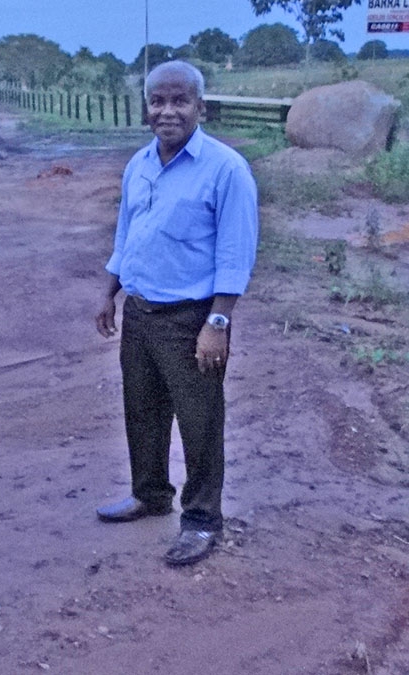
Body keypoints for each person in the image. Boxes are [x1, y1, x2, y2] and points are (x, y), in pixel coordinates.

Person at [94, 60, 258, 566]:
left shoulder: (226, 169)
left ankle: (203, 519)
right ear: (146, 108)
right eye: (158, 101)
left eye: (179, 101)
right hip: (141, 313)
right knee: (141, 410)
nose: (167, 111)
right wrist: (110, 292)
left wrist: (218, 322)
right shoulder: (138, 165)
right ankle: (150, 494)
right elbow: (128, 236)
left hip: (192, 319)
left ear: (200, 107)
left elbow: (235, 252)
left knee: (200, 421)